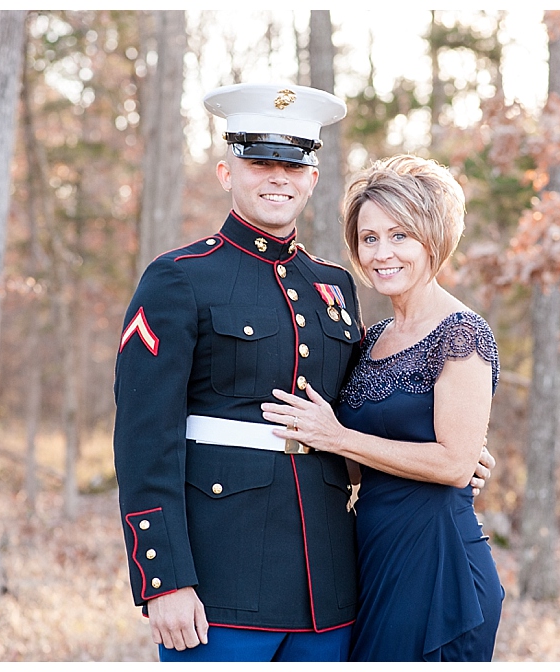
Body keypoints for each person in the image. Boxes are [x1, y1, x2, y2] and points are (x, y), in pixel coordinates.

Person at [112, 84, 493, 662]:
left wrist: (448, 460)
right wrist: (163, 579)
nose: (277, 177)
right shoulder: (179, 279)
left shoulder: (334, 288)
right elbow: (144, 441)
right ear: (225, 171)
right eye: (259, 161)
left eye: (292, 164)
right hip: (224, 581)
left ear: (311, 178)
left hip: (333, 588)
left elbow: (352, 420)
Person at [261, 154, 505, 661]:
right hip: (371, 556)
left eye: (400, 236)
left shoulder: (462, 333)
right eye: (369, 239)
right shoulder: (370, 340)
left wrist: (338, 436)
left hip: (438, 565)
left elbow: (456, 465)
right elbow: (356, 467)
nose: (381, 253)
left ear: (432, 241)